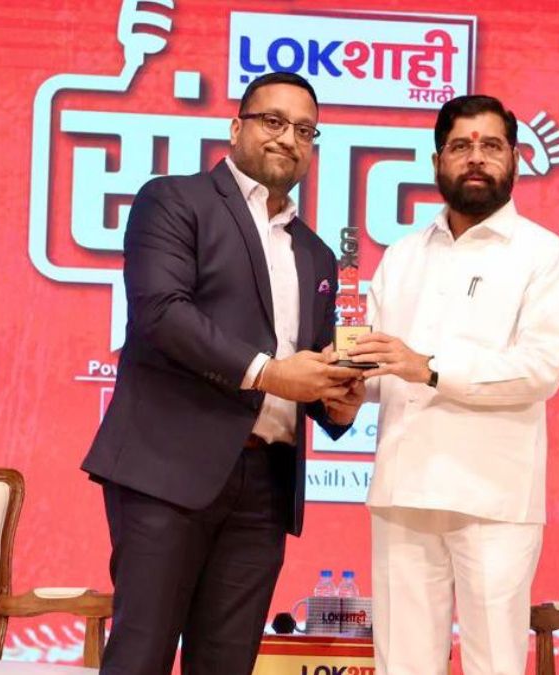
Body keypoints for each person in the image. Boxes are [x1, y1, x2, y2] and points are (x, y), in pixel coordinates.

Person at [81, 72, 365, 675]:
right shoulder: (174, 200)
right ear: (236, 128)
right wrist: (270, 375)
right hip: (167, 469)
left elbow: (307, 362)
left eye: (305, 130)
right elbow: (162, 314)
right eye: (273, 121)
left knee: (227, 665)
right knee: (141, 656)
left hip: (266, 485)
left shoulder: (316, 253)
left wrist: (336, 403)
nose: (288, 138)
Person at [345, 94, 559, 675]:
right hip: (403, 491)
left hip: (493, 497)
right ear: (437, 161)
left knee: (494, 664)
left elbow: (539, 369)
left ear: (515, 160)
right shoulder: (402, 256)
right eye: (460, 146)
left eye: (491, 146)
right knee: (401, 665)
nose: (476, 158)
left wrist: (427, 366)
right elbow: (381, 369)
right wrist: (344, 384)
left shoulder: (545, 255)